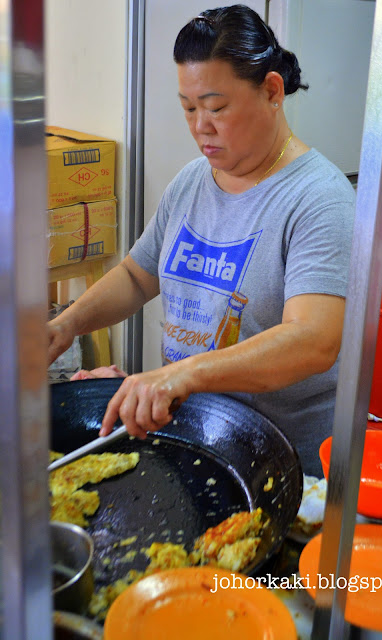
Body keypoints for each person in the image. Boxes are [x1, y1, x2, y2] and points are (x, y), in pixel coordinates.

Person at [47, 5, 355, 476]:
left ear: (272, 91)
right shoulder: (193, 181)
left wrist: (183, 373)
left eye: (215, 108)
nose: (199, 127)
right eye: (188, 108)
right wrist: (66, 326)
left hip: (283, 460)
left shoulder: (319, 198)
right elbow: (135, 275)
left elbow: (313, 340)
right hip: (196, 436)